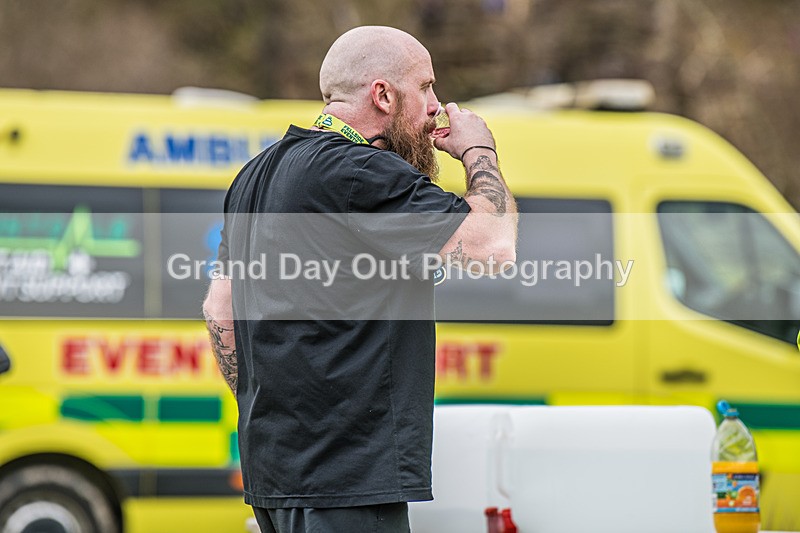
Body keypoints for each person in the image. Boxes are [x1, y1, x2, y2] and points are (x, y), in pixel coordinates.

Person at [203, 25, 517, 533]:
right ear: (383, 95)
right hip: (350, 481)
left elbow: (220, 311)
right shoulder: (359, 172)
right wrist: (480, 152)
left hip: (274, 476)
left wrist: (273, 408)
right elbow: (491, 246)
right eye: (427, 87)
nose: (437, 106)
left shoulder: (254, 176)